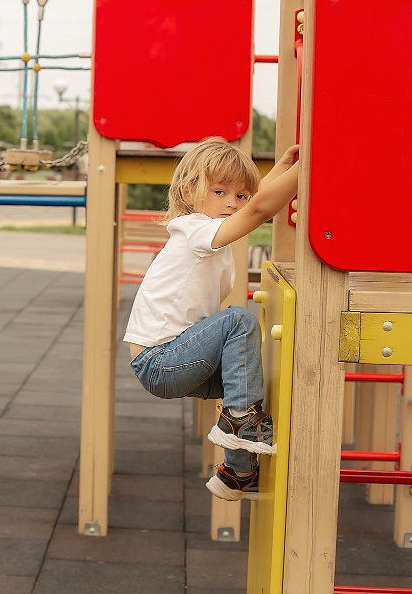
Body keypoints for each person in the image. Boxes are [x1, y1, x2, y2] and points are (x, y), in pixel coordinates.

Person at [124, 137, 299, 501]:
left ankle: (237, 472)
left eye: (240, 195)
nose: (231, 203)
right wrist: (310, 168)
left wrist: (281, 169)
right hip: (159, 361)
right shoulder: (195, 228)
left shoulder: (211, 225)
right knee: (237, 319)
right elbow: (257, 212)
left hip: (175, 361)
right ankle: (241, 426)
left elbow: (250, 204)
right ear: (189, 192)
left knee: (251, 380)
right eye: (219, 191)